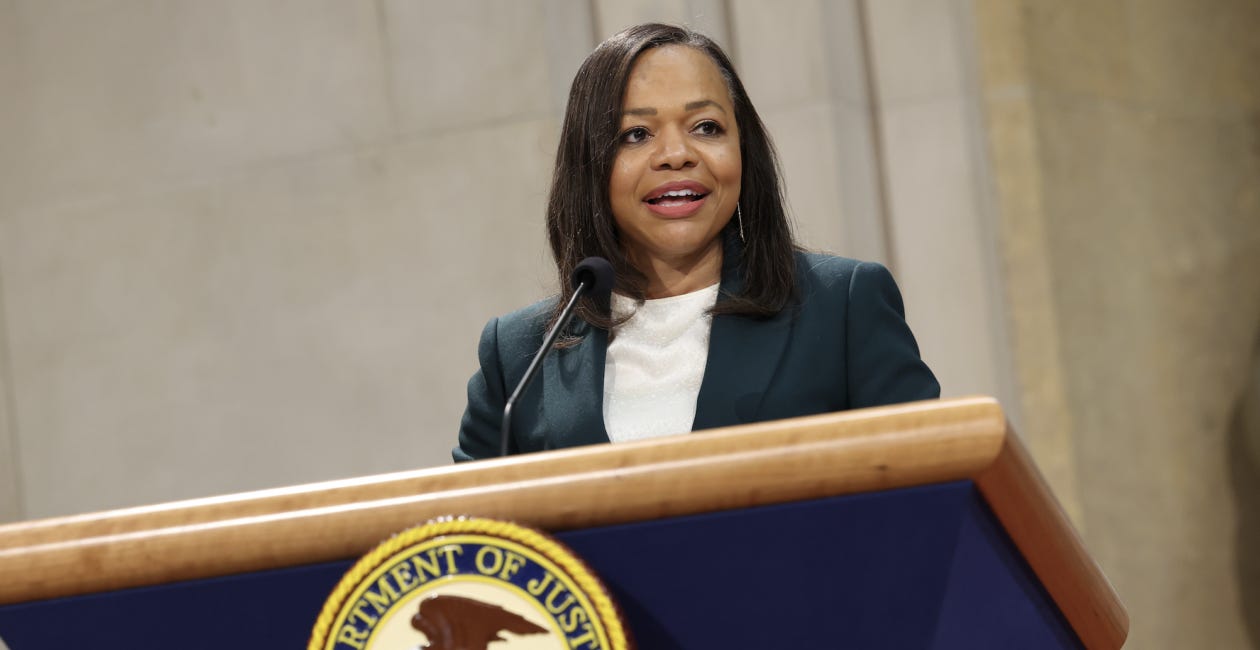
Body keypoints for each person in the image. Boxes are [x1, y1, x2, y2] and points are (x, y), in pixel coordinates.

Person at [454, 23, 938, 462]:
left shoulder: (840, 306)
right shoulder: (517, 355)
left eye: (706, 127)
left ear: (743, 150)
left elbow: (931, 489)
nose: (676, 155)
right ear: (591, 167)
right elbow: (463, 541)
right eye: (636, 134)